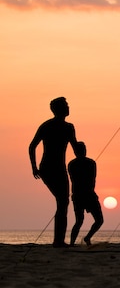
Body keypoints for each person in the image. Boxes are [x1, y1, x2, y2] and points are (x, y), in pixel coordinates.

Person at [29, 97, 78, 247]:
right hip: (48, 169)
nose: (68, 107)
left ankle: (59, 240)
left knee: (63, 202)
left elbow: (75, 148)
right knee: (63, 201)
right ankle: (58, 241)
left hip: (60, 169)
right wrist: (34, 167)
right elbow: (32, 146)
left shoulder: (69, 127)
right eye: (66, 106)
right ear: (58, 109)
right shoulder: (47, 126)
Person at [68, 141, 104, 246]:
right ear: (76, 152)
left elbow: (93, 179)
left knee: (99, 220)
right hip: (80, 195)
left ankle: (87, 238)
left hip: (87, 195)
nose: (83, 152)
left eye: (84, 150)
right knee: (79, 220)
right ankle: (72, 243)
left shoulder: (90, 163)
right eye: (81, 150)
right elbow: (78, 179)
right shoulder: (73, 164)